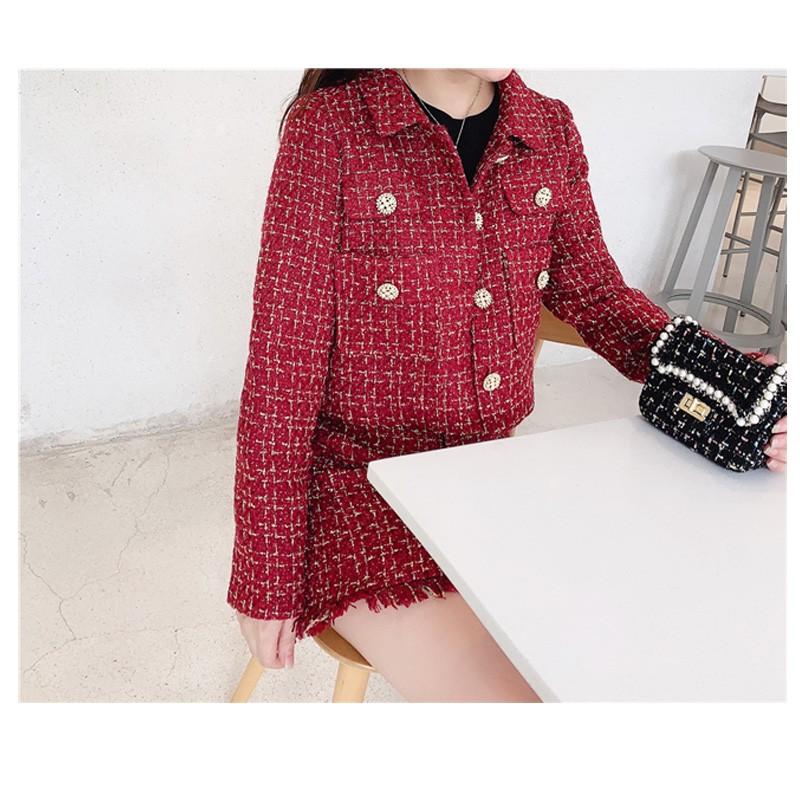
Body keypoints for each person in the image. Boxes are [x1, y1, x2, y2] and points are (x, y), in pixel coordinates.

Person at [227, 68, 788, 702]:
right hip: (361, 485)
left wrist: (744, 390)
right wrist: (264, 575)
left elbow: (598, 297)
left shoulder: (548, 128)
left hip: (497, 477)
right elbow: (282, 369)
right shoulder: (330, 130)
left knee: (660, 653)